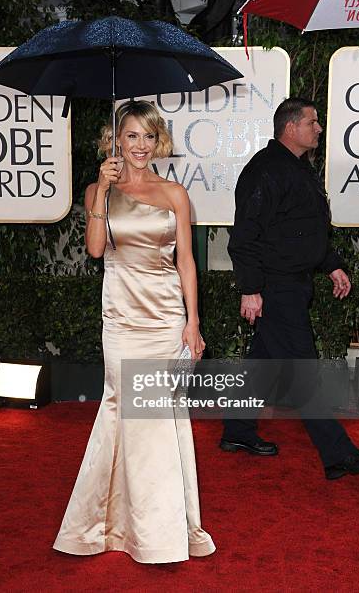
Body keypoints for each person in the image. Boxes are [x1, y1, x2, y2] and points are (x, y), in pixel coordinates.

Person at [53, 100, 215, 562]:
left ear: (157, 140)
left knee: (158, 418)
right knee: (120, 411)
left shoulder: (175, 194)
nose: (140, 146)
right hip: (121, 317)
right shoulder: (94, 190)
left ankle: (160, 531)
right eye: (131, 136)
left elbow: (186, 261)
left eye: (148, 136)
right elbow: (96, 249)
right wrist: (104, 190)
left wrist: (193, 322)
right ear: (115, 140)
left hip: (165, 318)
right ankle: (106, 523)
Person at [221, 97, 359, 481]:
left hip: (289, 284)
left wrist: (331, 263)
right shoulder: (266, 171)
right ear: (291, 127)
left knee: (263, 364)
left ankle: (237, 432)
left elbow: (299, 231)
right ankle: (338, 454)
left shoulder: (295, 168)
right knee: (305, 370)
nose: (319, 128)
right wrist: (251, 289)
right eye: (313, 122)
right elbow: (245, 236)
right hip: (275, 288)